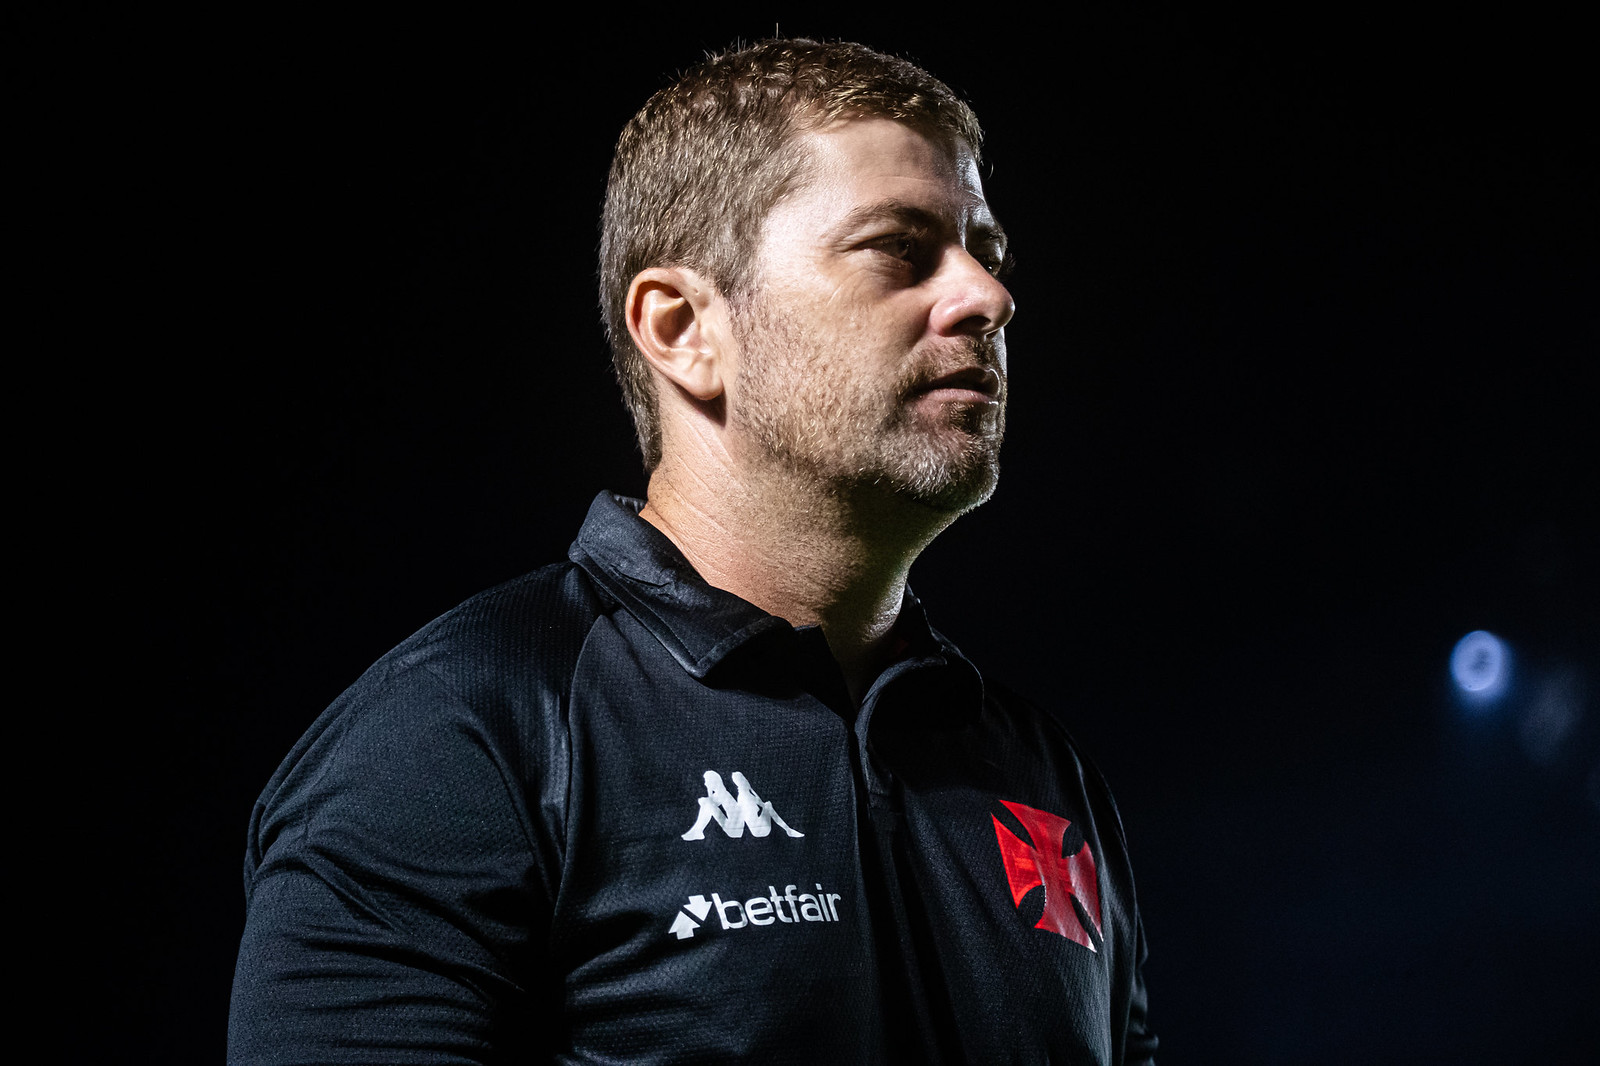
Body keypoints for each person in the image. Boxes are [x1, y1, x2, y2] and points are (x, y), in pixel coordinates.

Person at [229, 39, 1157, 1065]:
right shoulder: (460, 739)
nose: (986, 296)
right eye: (901, 247)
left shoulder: (1038, 771)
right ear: (680, 329)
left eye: (987, 251)